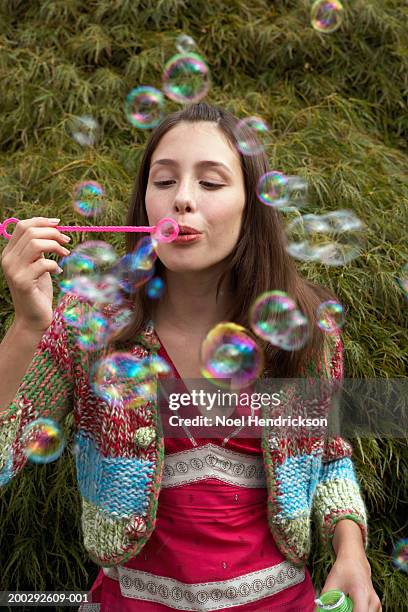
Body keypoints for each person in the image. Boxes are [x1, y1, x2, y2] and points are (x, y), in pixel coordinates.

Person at [0, 103, 382, 612]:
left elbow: (327, 456)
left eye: (211, 183)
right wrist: (28, 326)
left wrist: (352, 549)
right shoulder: (87, 324)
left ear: (253, 202)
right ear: (145, 202)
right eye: (164, 181)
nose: (181, 200)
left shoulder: (304, 328)